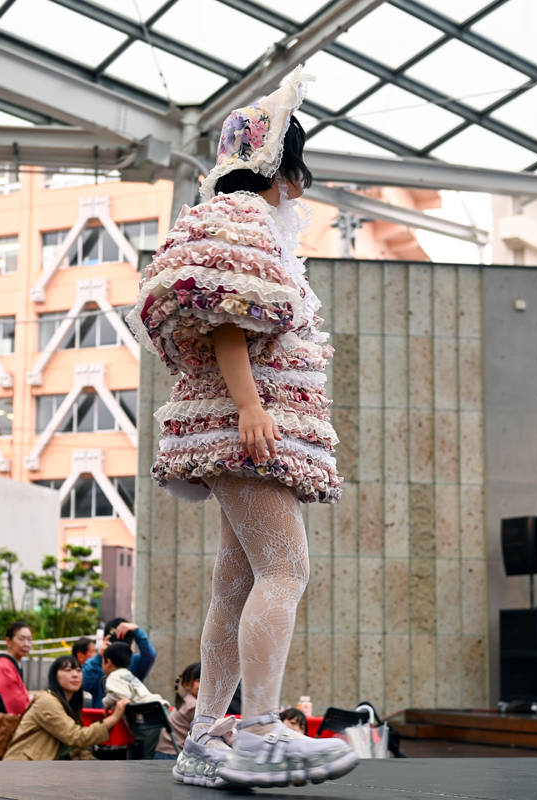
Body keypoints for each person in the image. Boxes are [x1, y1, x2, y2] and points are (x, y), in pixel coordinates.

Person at [126, 66, 357, 789]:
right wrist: (252, 404)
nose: (302, 185)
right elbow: (226, 313)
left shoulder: (232, 217)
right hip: (244, 426)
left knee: (237, 583)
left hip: (232, 425)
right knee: (286, 569)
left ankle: (203, 740)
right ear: (281, 166)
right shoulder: (244, 219)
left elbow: (224, 311)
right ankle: (257, 730)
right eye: (298, 168)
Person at [3, 655, 129, 761]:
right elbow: (75, 737)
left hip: (40, 770)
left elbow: (77, 749)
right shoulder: (47, 701)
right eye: (68, 670)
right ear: (55, 676)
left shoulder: (68, 704)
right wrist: (114, 717)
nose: (75, 675)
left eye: (78, 670)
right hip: (21, 769)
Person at [102, 642, 167, 759]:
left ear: (108, 662)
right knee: (154, 753)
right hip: (162, 711)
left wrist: (106, 703)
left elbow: (122, 694)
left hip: (149, 718)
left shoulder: (114, 676)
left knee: (143, 758)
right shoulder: (128, 674)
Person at [82, 619, 156, 708]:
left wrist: (136, 630)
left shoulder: (134, 660)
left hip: (129, 715)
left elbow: (150, 655)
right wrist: (100, 657)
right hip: (103, 716)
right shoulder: (96, 662)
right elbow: (84, 683)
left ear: (131, 642)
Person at [0, 621, 32, 715]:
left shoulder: (10, 665)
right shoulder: (3, 667)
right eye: (21, 639)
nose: (26, 644)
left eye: (29, 639)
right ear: (8, 641)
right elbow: (17, 705)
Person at [154, 662, 201, 760]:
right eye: (199, 680)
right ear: (187, 684)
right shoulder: (193, 705)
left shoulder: (187, 701)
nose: (205, 685)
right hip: (173, 755)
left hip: (165, 753)